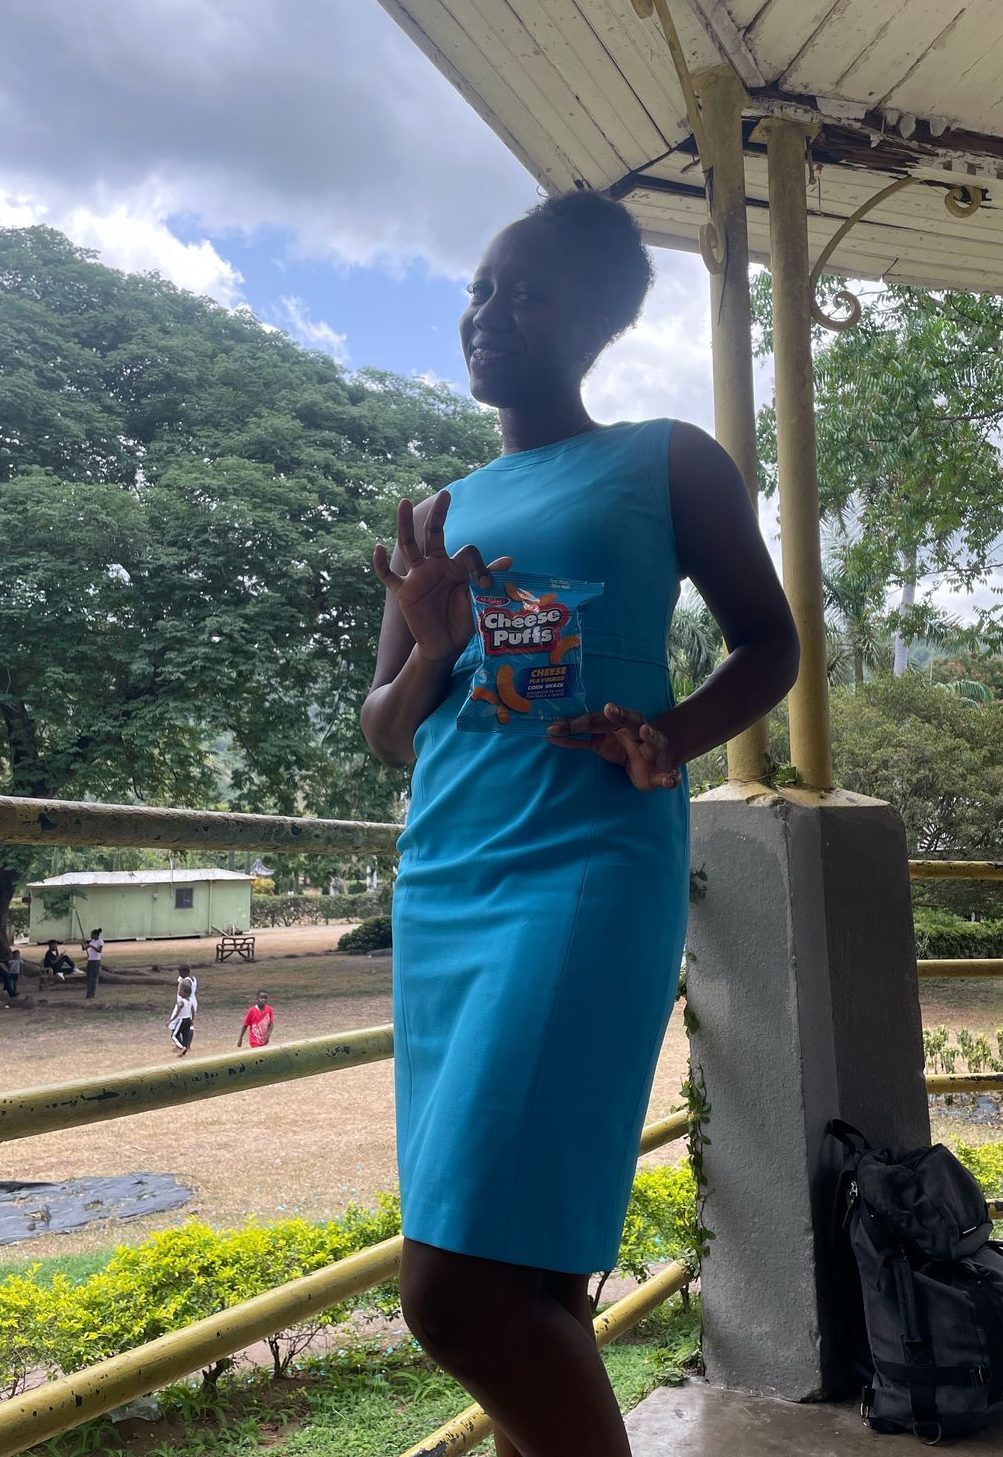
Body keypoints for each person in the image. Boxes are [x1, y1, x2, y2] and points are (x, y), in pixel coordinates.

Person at [360, 191, 799, 1457]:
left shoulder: (667, 460)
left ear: (597, 319)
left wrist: (672, 732)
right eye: (480, 289)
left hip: (587, 868)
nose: (488, 313)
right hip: (448, 878)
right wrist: (429, 644)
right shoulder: (439, 515)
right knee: (534, 1278)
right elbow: (387, 731)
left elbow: (769, 643)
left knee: (455, 1297)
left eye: (525, 291)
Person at [168, 976, 196, 1055]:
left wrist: (171, 1021)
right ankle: (185, 1047)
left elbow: (177, 1013)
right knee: (185, 1034)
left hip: (181, 1020)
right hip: (188, 1019)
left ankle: (181, 1047)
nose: (178, 992)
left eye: (179, 990)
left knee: (174, 1035)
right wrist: (192, 1019)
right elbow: (193, 1011)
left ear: (184, 992)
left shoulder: (181, 1002)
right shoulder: (190, 1001)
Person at [84, 929, 103, 999]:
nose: (91, 936)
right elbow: (83, 948)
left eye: (92, 935)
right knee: (89, 977)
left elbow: (99, 950)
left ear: (95, 935)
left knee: (93, 978)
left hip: (96, 961)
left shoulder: (100, 941)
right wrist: (83, 943)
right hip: (90, 960)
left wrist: (91, 946)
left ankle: (92, 993)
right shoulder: (92, 941)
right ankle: (89, 992)